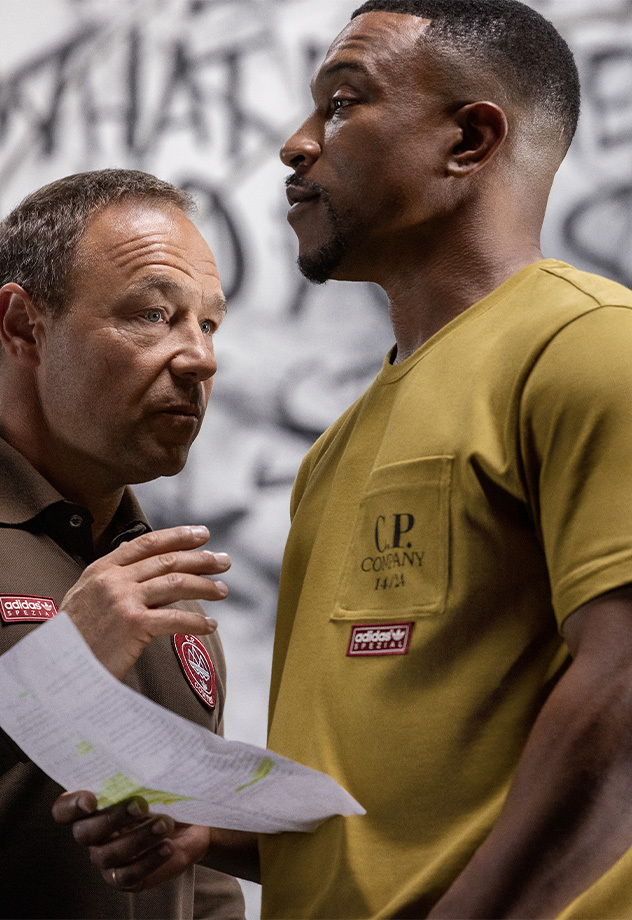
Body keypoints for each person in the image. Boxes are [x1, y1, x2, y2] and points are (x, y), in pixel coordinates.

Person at [53, 2, 632, 917]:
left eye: (342, 103)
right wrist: (208, 829)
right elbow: (371, 818)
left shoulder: (591, 347)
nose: (296, 144)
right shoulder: (337, 449)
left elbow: (624, 692)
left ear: (470, 141)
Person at [0, 169, 246, 920]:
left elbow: (197, 880)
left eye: (208, 324)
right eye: (153, 314)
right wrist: (59, 671)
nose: (200, 357)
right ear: (22, 326)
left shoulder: (159, 580)